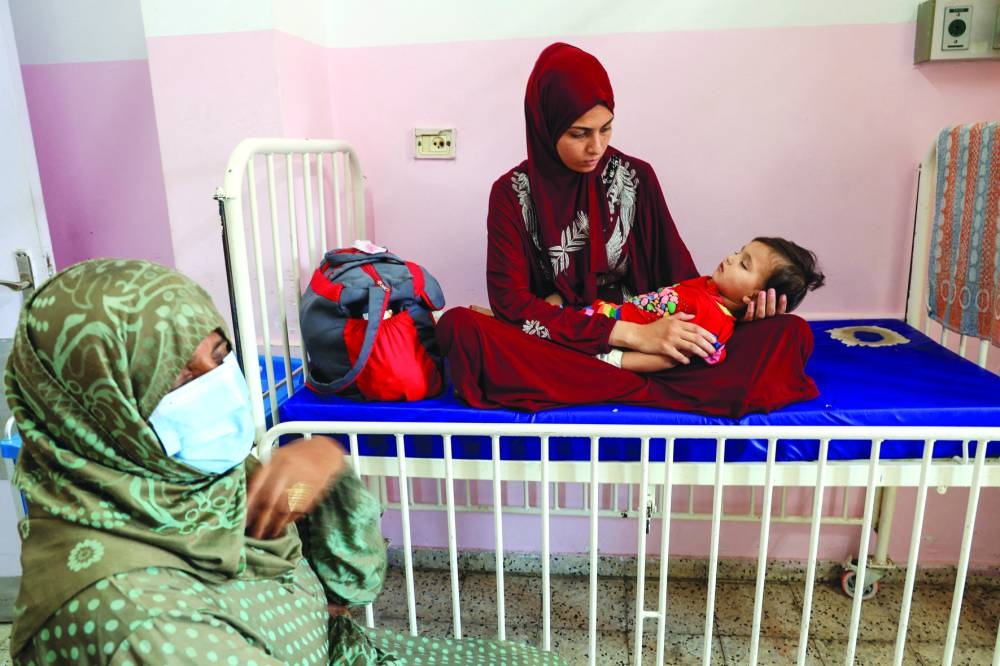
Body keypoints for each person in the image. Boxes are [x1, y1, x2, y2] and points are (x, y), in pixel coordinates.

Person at [4, 259, 565, 665]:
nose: (218, 387)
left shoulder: (194, 483)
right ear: (99, 411)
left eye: (219, 356)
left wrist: (326, 469)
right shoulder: (137, 623)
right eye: (177, 375)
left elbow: (344, 586)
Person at [436, 42, 820, 417]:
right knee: (461, 328)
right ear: (544, 124)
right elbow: (515, 305)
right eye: (579, 133)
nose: (596, 147)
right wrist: (630, 336)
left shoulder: (635, 179)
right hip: (564, 339)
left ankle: (612, 382)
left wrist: (737, 312)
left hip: (647, 335)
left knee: (791, 334)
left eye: (606, 129)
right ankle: (640, 383)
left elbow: (681, 284)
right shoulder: (510, 196)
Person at [574, 237, 825, 372]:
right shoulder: (709, 287)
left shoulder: (714, 321)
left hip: (612, 339)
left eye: (744, 264)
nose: (731, 257)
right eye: (739, 251)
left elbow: (668, 359)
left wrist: (617, 360)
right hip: (608, 313)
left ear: (753, 297)